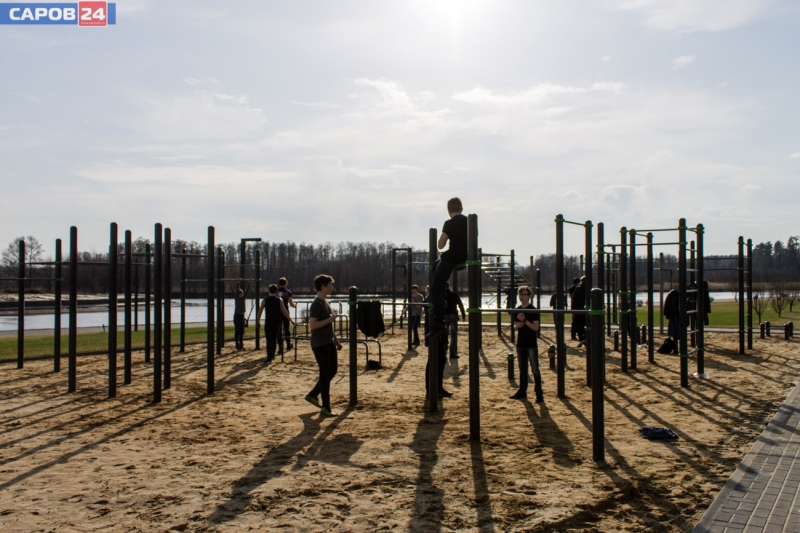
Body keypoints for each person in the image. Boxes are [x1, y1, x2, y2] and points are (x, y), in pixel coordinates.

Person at [427, 197, 468, 338]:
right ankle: (442, 300)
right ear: (461, 209)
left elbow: (440, 245)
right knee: (435, 265)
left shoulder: (449, 223)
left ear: (448, 210)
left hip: (452, 258)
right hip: (465, 256)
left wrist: (446, 235)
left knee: (435, 288)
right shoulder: (469, 221)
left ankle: (439, 323)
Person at [304, 274, 343, 416]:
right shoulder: (316, 304)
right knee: (325, 374)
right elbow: (313, 325)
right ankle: (326, 406)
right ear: (322, 286)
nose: (332, 287)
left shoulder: (326, 303)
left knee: (332, 371)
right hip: (319, 344)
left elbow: (329, 326)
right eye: (330, 285)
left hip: (329, 343)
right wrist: (330, 319)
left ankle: (313, 394)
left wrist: (336, 341)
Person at [509, 285, 543, 402]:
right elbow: (515, 325)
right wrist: (516, 326)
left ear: (529, 296)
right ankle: (522, 391)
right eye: (520, 294)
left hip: (531, 343)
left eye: (524, 294)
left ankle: (539, 393)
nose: (521, 296)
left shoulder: (533, 310)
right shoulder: (517, 310)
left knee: (535, 370)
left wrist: (524, 320)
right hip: (521, 343)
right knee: (522, 369)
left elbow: (536, 328)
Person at [256, 284, 294, 363]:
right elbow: (284, 311)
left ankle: (269, 357)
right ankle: (272, 355)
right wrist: (291, 320)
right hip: (277, 321)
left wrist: (258, 321)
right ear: (276, 291)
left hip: (268, 321)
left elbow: (260, 312)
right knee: (274, 338)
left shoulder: (264, 300)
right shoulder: (279, 300)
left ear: (268, 291)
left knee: (269, 339)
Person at [444, 281, 466, 359]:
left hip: (444, 315)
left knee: (444, 334)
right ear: (449, 286)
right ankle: (453, 353)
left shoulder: (442, 295)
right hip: (453, 315)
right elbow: (460, 305)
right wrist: (463, 315)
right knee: (453, 335)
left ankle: (444, 350)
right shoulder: (454, 295)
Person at [277, 277, 296, 352]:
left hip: (278, 312)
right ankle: (288, 344)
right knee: (286, 329)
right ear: (286, 283)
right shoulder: (288, 292)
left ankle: (280, 347)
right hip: (285, 312)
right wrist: (294, 305)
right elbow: (291, 303)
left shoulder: (277, 292)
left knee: (279, 330)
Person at [663, 289, 681, 354]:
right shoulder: (677, 296)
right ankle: (676, 349)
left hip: (672, 315)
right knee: (677, 331)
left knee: (674, 332)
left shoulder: (671, 296)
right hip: (676, 315)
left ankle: (675, 348)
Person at [572, 276, 587, 347]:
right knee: (585, 324)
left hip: (578, 310)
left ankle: (581, 338)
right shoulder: (589, 289)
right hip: (586, 310)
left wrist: (573, 311)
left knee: (577, 325)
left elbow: (574, 301)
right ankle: (585, 337)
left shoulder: (578, 289)